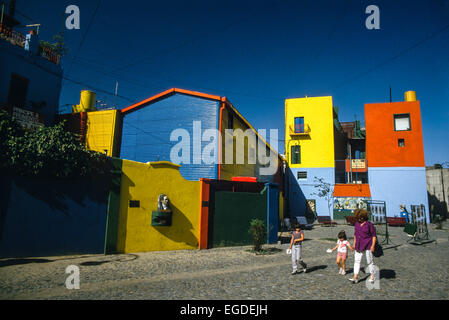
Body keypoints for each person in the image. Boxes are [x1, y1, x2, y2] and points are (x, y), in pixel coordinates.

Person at [349, 209, 377, 284]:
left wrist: (373, 246)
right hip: (358, 245)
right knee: (357, 261)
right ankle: (355, 277)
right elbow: (355, 234)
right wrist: (354, 243)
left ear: (364, 217)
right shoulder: (357, 224)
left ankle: (372, 275)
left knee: (369, 261)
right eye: (357, 218)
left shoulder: (369, 225)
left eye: (360, 218)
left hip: (368, 245)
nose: (359, 219)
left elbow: (374, 236)